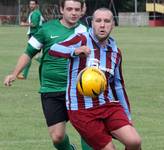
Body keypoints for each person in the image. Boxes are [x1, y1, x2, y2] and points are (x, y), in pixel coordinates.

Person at [49, 8, 142, 150]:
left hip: (108, 105)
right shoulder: (81, 39)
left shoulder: (115, 51)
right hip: (81, 108)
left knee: (134, 141)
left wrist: (127, 115)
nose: (102, 25)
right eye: (98, 21)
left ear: (113, 25)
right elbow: (54, 48)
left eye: (107, 21)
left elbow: (118, 86)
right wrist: (74, 51)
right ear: (92, 23)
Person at [4, 0, 87, 150]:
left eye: (77, 9)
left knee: (87, 131)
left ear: (82, 11)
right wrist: (14, 74)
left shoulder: (85, 31)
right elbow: (28, 52)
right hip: (51, 89)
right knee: (57, 137)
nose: (73, 13)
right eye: (69, 9)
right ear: (62, 10)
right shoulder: (46, 29)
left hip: (78, 90)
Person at [17, 0, 44, 79]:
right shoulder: (36, 12)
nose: (31, 5)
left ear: (36, 5)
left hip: (35, 36)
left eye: (33, 4)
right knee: (31, 55)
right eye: (30, 4)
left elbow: (34, 24)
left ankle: (24, 74)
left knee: (29, 55)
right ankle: (24, 74)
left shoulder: (35, 13)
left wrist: (24, 24)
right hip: (36, 36)